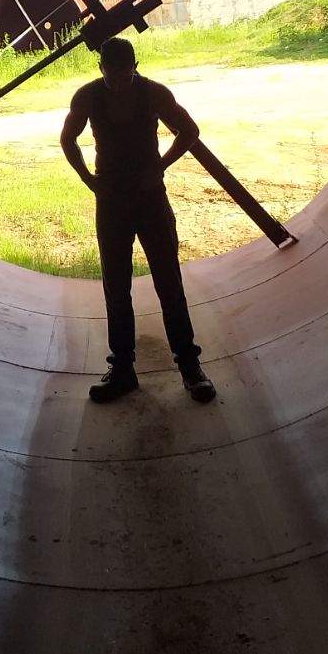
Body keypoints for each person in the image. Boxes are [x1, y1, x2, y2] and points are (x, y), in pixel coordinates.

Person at [60, 36, 216, 404]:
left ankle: (190, 367)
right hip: (111, 200)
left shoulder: (153, 93)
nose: (117, 83)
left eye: (124, 75)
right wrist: (88, 179)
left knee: (168, 280)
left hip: (150, 199)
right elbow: (68, 138)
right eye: (110, 75)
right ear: (101, 70)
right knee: (116, 285)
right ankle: (123, 370)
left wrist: (158, 168)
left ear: (135, 66)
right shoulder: (87, 96)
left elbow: (189, 131)